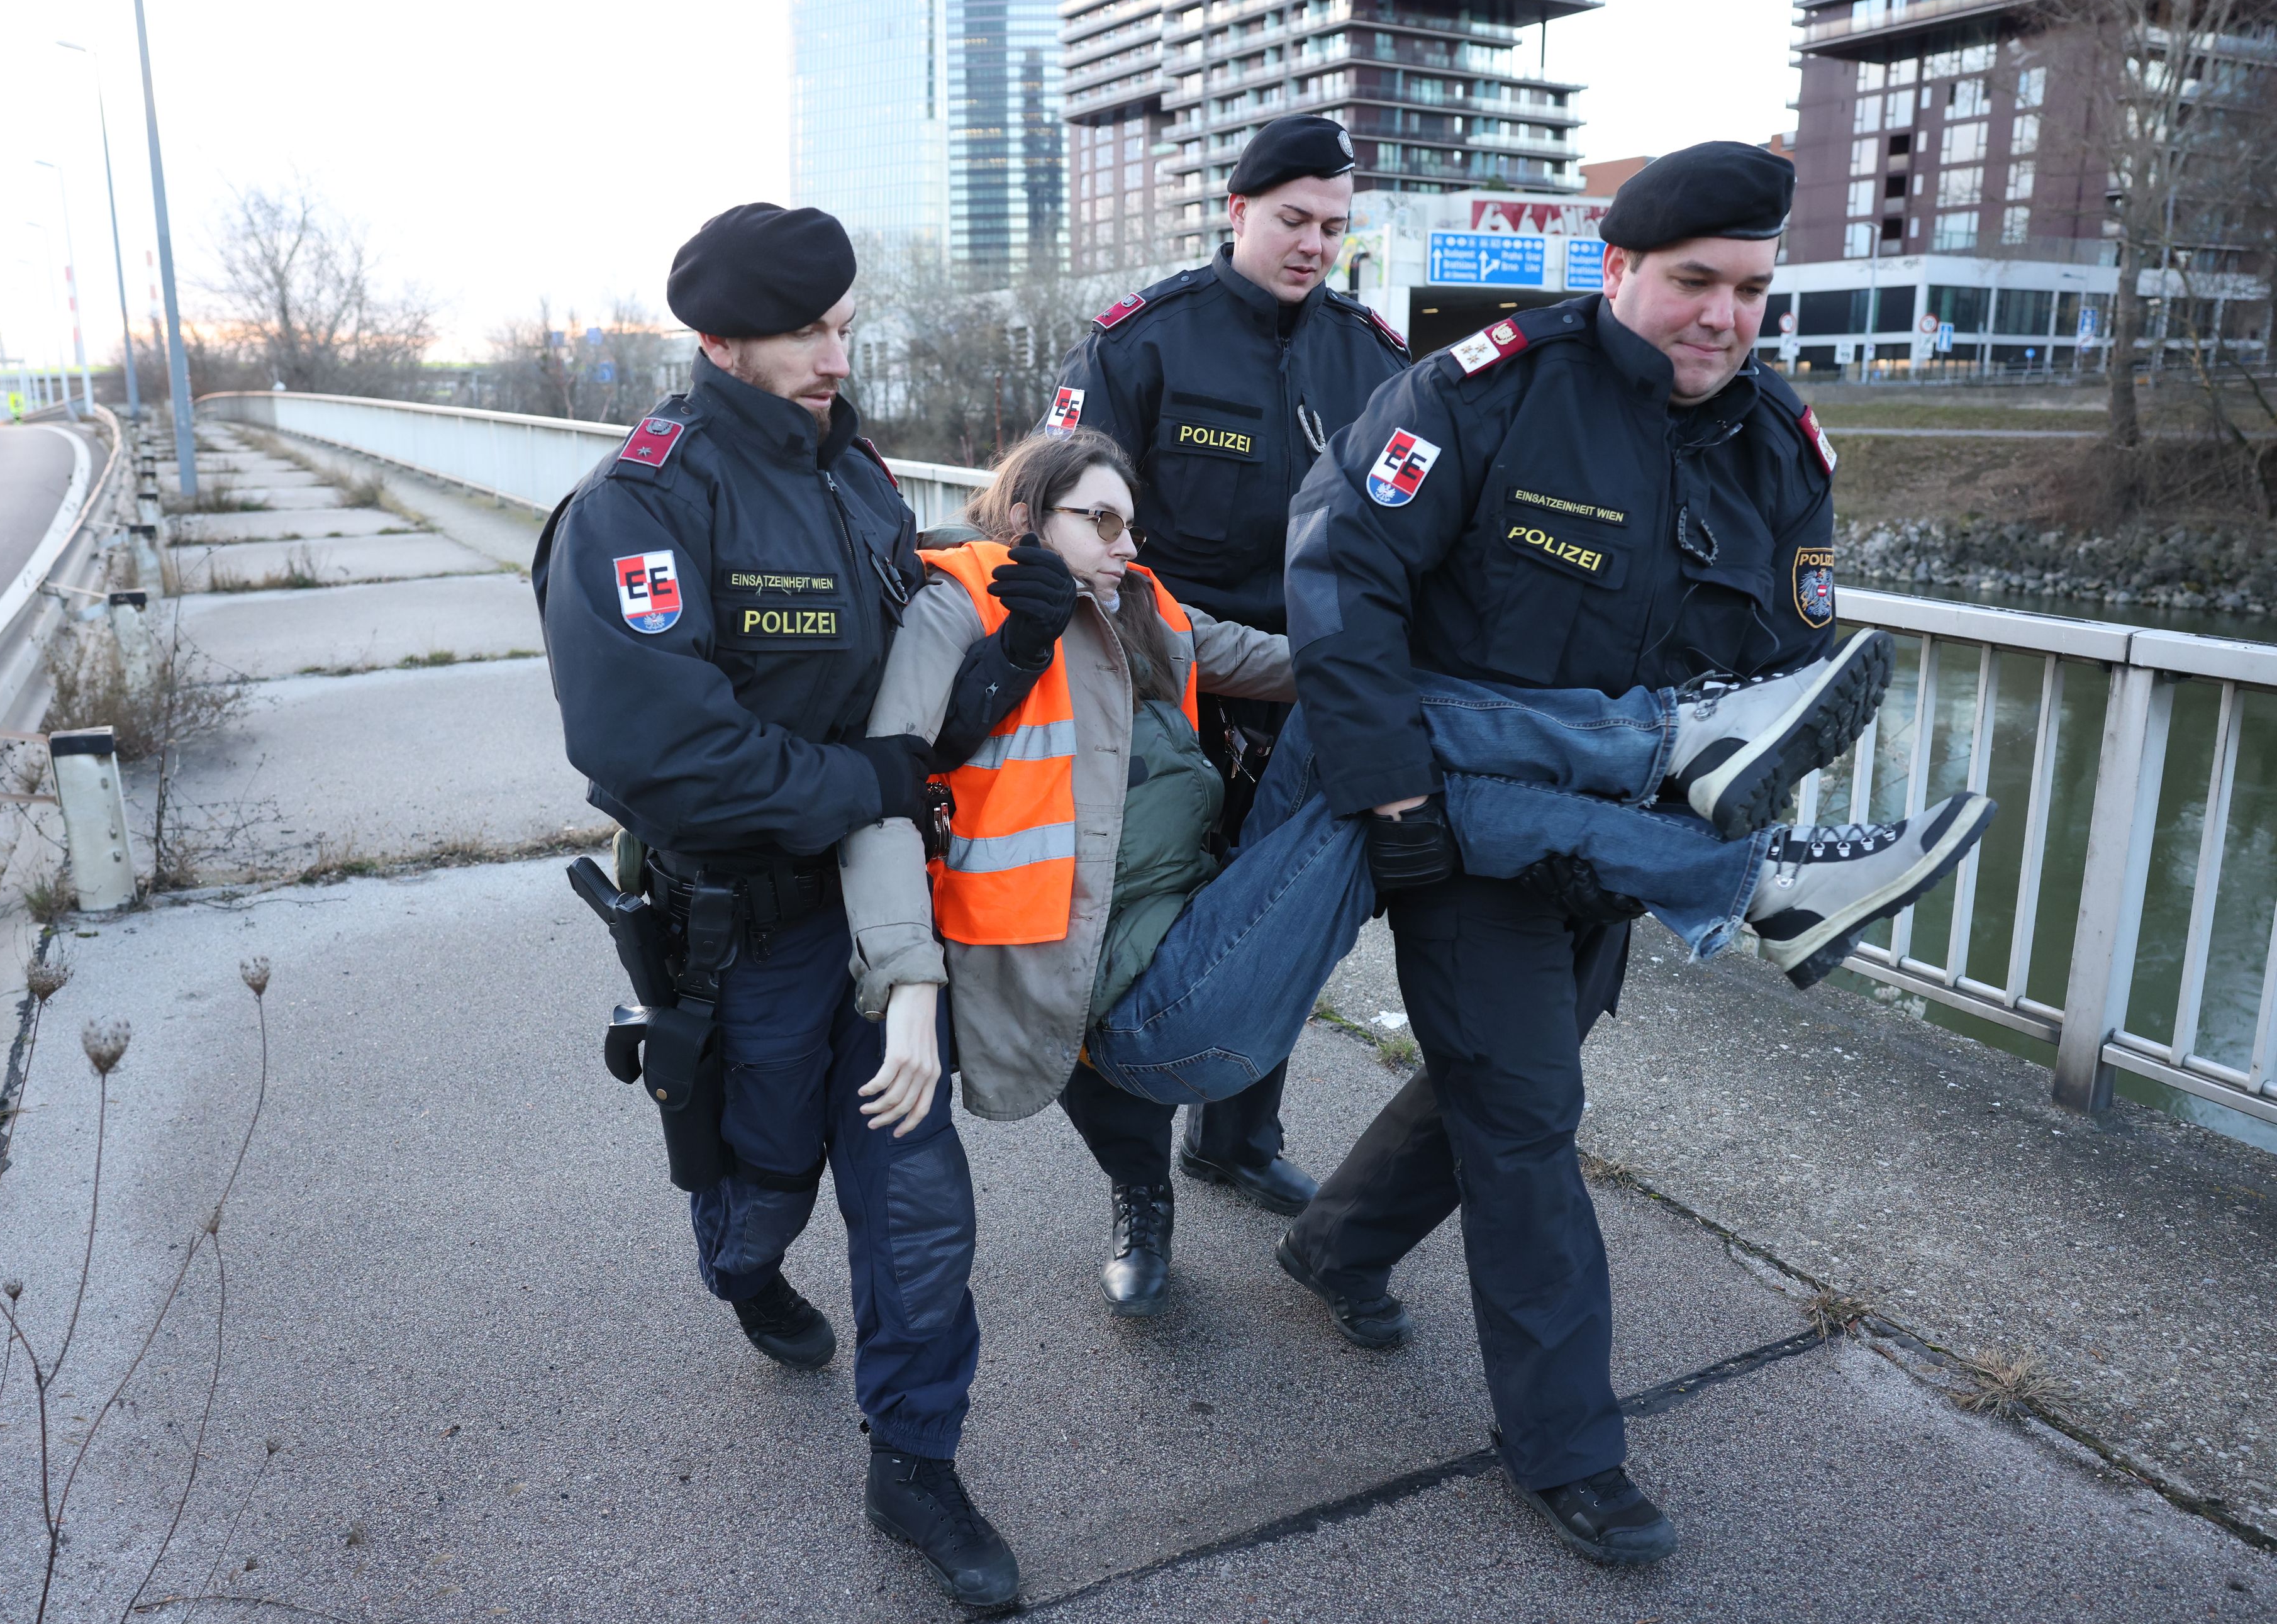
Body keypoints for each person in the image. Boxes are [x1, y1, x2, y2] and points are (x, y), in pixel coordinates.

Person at [837, 433, 1989, 1319]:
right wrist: (907, 994)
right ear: (1030, 513)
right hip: (1141, 1009)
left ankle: (1740, 854)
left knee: (1374, 711)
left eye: (1132, 523)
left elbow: (1315, 664)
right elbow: (884, 802)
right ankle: (1697, 783)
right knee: (1373, 783)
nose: (1126, 543)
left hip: (1208, 925)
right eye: (1100, 522)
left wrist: (1425, 628)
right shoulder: (963, 603)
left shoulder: (1149, 615)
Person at [1274, 140, 1896, 1568]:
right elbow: (1340, 577)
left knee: (1505, 1069)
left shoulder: (1777, 444)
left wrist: (1671, 831)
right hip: (1457, 832)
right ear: (1616, 269)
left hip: (1616, 846)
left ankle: (1334, 1243)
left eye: (1749, 289)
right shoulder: (1477, 393)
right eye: (1693, 282)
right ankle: (1566, 1442)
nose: (1722, 318)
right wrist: (1390, 804)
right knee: (1526, 1117)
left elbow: (1771, 688)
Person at [530, 203, 1019, 1608]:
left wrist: (1014, 629)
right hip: (737, 933)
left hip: (878, 920)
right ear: (719, 338)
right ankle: (746, 1273)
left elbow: (915, 702)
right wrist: (862, 780)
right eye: (807, 330)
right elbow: (657, 754)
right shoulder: (644, 502)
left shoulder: (855, 477)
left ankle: (913, 1457)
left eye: (845, 325)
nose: (833, 353)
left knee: (917, 1204)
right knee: (754, 1191)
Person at [1039, 114, 1410, 1255]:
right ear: (1237, 211)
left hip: (1308, 696)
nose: (1313, 245)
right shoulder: (1141, 343)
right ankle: (1138, 1197)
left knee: (1281, 925)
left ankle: (1238, 1138)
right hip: (1161, 700)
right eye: (1292, 219)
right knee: (1128, 949)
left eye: (1334, 228)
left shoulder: (1376, 357)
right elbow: (1060, 515)